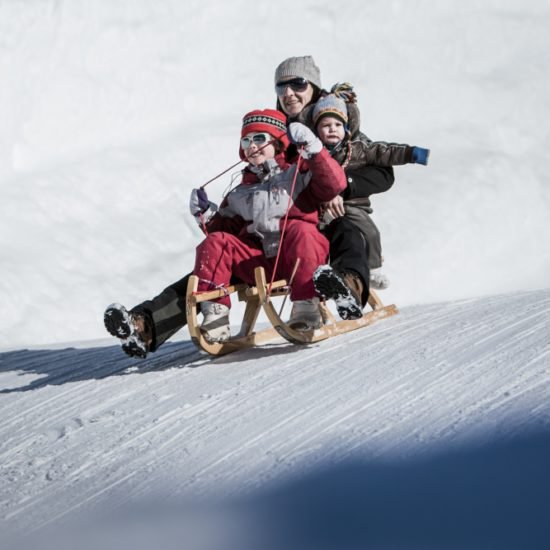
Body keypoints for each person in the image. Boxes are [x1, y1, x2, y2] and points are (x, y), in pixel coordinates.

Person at [104, 109, 346, 351]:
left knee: (301, 231)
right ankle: (215, 314)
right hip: (257, 262)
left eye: (260, 138)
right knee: (217, 243)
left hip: (297, 257)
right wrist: (206, 215)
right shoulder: (240, 192)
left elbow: (333, 184)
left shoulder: (299, 174)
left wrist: (315, 150)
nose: (252, 146)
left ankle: (305, 308)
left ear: (278, 141)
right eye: (246, 140)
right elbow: (222, 234)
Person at [272, 55, 428, 320]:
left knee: (348, 232)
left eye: (298, 84)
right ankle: (190, 303)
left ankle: (348, 290)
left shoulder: (333, 120)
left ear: (313, 86)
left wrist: (339, 189)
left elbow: (381, 173)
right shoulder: (275, 129)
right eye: (281, 86)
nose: (288, 93)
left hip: (330, 216)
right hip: (285, 218)